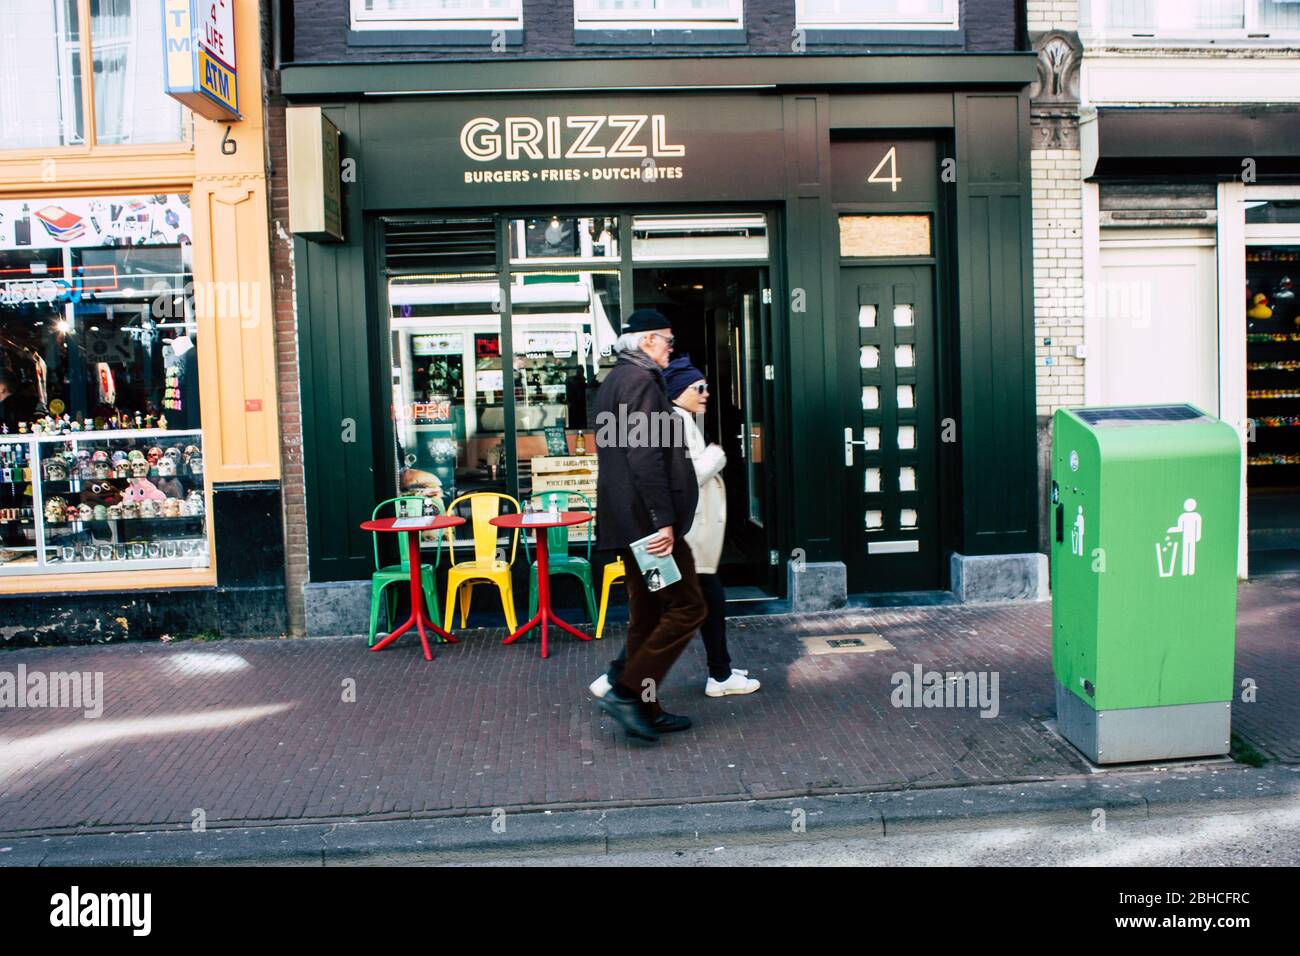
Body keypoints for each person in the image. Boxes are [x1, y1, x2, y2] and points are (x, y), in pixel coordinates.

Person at [591, 354, 760, 698]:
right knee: (681, 608)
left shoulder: (681, 419)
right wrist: (715, 457)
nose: (706, 393)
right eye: (700, 387)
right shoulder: (676, 422)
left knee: (678, 607)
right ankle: (625, 682)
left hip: (687, 537)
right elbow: (679, 478)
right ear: (681, 389)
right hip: (685, 538)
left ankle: (713, 672)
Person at [590, 309, 707, 742]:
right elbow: (644, 459)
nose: (670, 349)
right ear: (646, 342)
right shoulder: (640, 383)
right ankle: (625, 691)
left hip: (630, 525)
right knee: (688, 608)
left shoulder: (614, 382)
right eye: (667, 341)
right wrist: (662, 522)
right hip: (649, 531)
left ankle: (647, 705)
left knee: (648, 613)